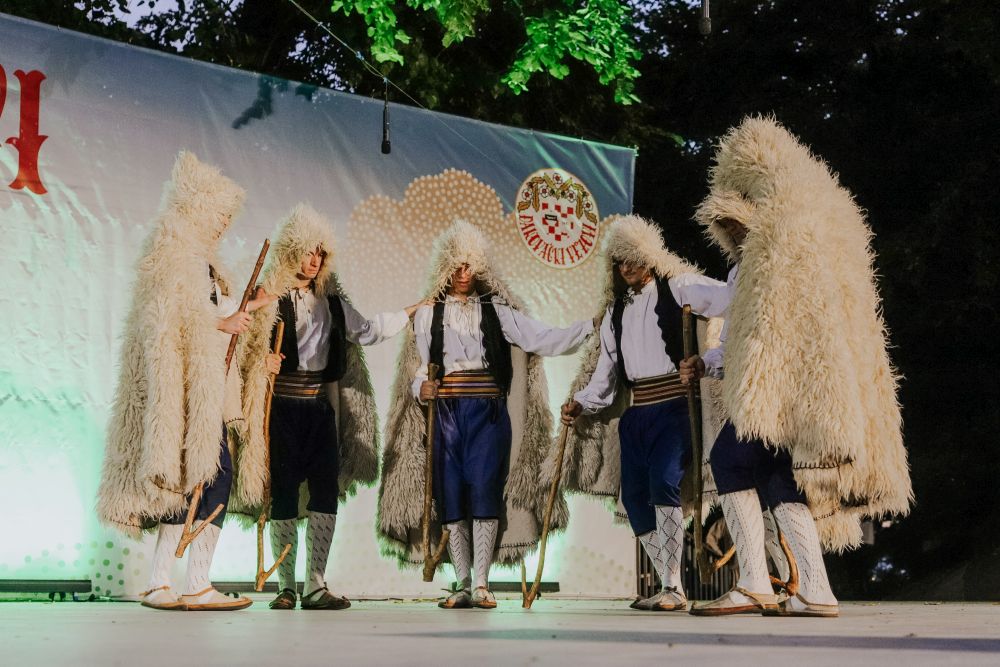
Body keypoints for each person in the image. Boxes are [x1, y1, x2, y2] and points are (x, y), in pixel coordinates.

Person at [684, 116, 912, 617]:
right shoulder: (766, 258)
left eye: (736, 220)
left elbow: (777, 329)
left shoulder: (782, 246)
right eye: (726, 226)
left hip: (783, 388)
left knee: (729, 460)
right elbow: (746, 333)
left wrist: (735, 366)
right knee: (777, 478)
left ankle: (754, 582)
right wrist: (709, 362)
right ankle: (816, 590)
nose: (732, 230)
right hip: (790, 387)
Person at [378, 220, 592, 610]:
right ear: (446, 267)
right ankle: (461, 582)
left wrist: (589, 327)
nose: (463, 273)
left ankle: (481, 583)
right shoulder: (429, 315)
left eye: (470, 266)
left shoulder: (496, 310)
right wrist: (420, 388)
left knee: (484, 489)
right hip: (446, 413)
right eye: (457, 266)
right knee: (450, 494)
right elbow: (418, 369)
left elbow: (541, 338)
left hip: (488, 412)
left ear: (479, 267)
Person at [98, 151, 268, 611]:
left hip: (203, 386)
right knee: (194, 476)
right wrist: (221, 323)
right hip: (184, 388)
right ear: (198, 207)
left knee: (205, 476)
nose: (223, 225)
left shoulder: (201, 262)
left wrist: (245, 309)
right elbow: (169, 317)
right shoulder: (173, 252)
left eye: (228, 218)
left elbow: (207, 308)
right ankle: (173, 582)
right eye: (219, 214)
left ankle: (183, 582)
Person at [234, 204, 424, 610]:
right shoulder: (268, 296)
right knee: (283, 493)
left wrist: (410, 311)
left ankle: (315, 585)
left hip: (319, 409)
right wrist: (262, 361)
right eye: (308, 251)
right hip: (280, 409)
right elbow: (241, 346)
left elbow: (368, 331)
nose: (314, 259)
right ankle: (286, 587)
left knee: (325, 491)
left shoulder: (332, 302)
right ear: (292, 250)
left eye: (320, 252)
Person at [560, 214, 728, 612]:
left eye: (633, 258)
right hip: (637, 413)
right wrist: (582, 401)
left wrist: (714, 353)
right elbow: (606, 374)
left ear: (649, 255)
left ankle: (673, 587)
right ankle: (669, 581)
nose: (627, 267)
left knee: (663, 483)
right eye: (619, 261)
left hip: (675, 407)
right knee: (634, 499)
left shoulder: (678, 287)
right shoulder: (615, 312)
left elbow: (732, 296)